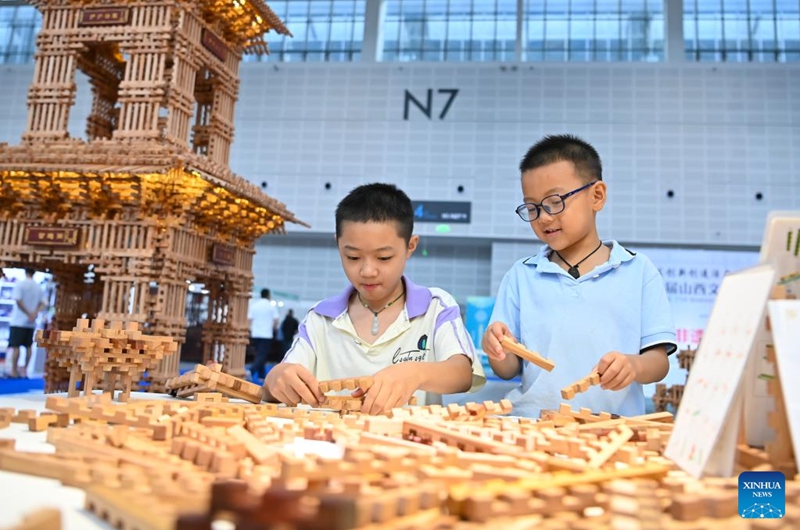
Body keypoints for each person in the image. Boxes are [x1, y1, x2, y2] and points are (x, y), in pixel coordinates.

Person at [482, 135, 676, 418]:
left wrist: (633, 366)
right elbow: (508, 368)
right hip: (533, 424)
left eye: (555, 201)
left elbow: (659, 363)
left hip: (611, 430)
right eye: (532, 207)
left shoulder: (638, 271)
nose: (544, 218)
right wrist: (496, 348)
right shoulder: (521, 275)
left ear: (596, 196)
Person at [264, 183, 485, 414]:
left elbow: (462, 373)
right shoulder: (320, 318)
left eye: (383, 257)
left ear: (410, 246)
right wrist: (276, 378)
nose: (368, 271)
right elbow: (280, 379)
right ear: (338, 245)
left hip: (412, 443)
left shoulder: (435, 307)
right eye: (353, 257)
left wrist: (416, 373)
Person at [8, 268, 47, 378]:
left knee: (16, 346)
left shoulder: (20, 284)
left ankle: (14, 371)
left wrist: (28, 313)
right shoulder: (38, 287)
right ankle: (25, 370)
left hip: (18, 321)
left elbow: (18, 300)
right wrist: (34, 313)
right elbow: (43, 303)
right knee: (28, 346)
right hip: (31, 322)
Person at [248, 288, 280, 381]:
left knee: (259, 354)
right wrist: (273, 329)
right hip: (266, 334)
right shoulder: (271, 306)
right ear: (268, 295)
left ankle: (261, 375)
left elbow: (249, 319)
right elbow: (276, 320)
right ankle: (251, 371)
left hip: (255, 333)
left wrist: (250, 330)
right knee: (262, 355)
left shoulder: (255, 306)